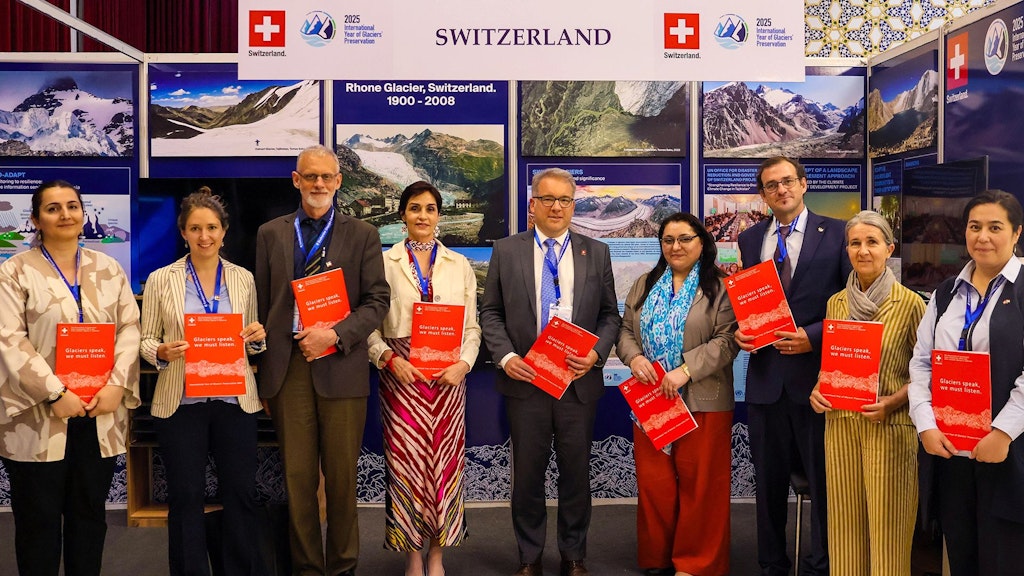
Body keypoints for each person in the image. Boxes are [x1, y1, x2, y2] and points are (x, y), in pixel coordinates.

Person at [255, 145, 390, 575]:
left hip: (341, 365)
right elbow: (261, 303)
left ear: (338, 182)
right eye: (309, 177)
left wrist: (334, 334)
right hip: (287, 368)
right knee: (297, 480)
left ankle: (343, 567)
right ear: (296, 180)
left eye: (326, 177)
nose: (318, 185)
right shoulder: (270, 233)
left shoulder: (363, 234)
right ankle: (307, 568)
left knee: (342, 481)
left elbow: (377, 301)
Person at [479, 167, 620, 576]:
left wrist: (596, 353)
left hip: (577, 382)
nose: (557, 207)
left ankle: (574, 555)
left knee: (576, 475)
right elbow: (491, 313)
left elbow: (610, 315)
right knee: (527, 477)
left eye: (565, 200)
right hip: (526, 383)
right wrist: (507, 358)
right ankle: (529, 556)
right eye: (548, 199)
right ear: (533, 205)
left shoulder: (596, 251)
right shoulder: (507, 250)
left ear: (574, 205)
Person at [0, 180, 140, 575]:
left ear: (83, 214)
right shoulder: (15, 272)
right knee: (37, 524)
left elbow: (130, 327)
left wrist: (116, 384)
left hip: (99, 413)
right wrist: (55, 393)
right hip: (38, 418)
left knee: (89, 520)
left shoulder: (109, 268)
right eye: (53, 208)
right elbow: (9, 339)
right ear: (35, 219)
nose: (65, 215)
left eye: (72, 206)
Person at [139, 188, 268, 575]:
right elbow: (146, 339)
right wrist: (160, 352)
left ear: (224, 231)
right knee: (186, 496)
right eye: (195, 228)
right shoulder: (161, 279)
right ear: (183, 232)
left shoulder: (243, 279)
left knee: (240, 494)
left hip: (234, 402)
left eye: (211, 227)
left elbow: (254, 343)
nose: (204, 236)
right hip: (182, 403)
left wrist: (257, 338)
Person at [735, 156, 850, 576]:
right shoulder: (750, 240)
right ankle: (771, 564)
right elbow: (748, 305)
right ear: (763, 194)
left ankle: (821, 565)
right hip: (765, 382)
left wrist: (813, 337)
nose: (781, 190)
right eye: (771, 185)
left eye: (787, 181)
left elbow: (851, 306)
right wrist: (741, 334)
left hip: (817, 383)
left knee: (823, 485)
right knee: (767, 485)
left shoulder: (838, 234)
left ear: (803, 185)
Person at [367, 181, 482, 576]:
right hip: (401, 374)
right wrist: (385, 357)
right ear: (402, 215)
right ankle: (411, 553)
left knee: (445, 466)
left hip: (449, 376)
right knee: (406, 465)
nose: (422, 216)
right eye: (414, 208)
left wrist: (464, 364)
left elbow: (473, 328)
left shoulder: (459, 265)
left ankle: (436, 554)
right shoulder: (383, 262)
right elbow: (367, 323)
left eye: (430, 209)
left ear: (439, 215)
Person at [616, 212, 739, 576]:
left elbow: (728, 340)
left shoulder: (719, 286)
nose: (676, 246)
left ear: (702, 243)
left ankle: (695, 564)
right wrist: (634, 356)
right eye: (668, 240)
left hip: (704, 400)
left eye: (685, 238)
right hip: (651, 401)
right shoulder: (644, 283)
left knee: (702, 488)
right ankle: (657, 557)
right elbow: (625, 329)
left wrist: (685, 370)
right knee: (656, 485)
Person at [908, 190, 1024, 574]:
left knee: (1004, 558)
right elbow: (922, 363)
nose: (983, 237)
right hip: (950, 450)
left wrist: (1003, 433)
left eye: (995, 227)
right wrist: (925, 425)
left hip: (1008, 451)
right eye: (975, 227)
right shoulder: (945, 293)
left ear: (1017, 232)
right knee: (962, 556)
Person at [808, 210, 925, 575]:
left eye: (872, 242)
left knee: (888, 538)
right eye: (855, 243)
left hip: (889, 430)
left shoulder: (911, 305)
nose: (863, 250)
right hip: (840, 427)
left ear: (889, 248)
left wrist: (893, 401)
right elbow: (830, 366)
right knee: (844, 534)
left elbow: (928, 373)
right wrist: (817, 390)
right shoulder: (836, 304)